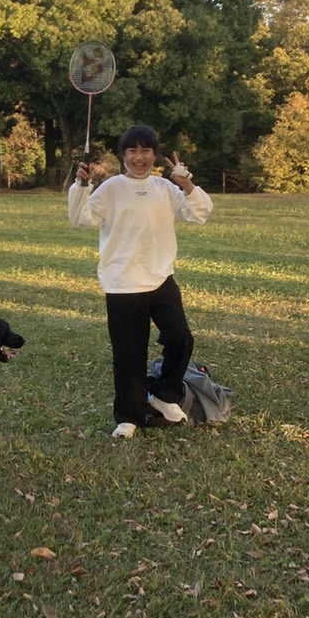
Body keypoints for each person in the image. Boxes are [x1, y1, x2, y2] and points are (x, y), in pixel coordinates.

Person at [68, 125, 213, 439]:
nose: (139, 157)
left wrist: (185, 182)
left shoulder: (165, 188)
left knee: (180, 338)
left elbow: (200, 212)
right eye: (132, 151)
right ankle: (128, 417)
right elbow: (80, 218)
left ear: (154, 155)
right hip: (122, 283)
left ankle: (165, 395)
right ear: (122, 156)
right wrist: (81, 184)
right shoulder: (110, 189)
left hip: (161, 278)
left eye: (145, 150)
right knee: (128, 353)